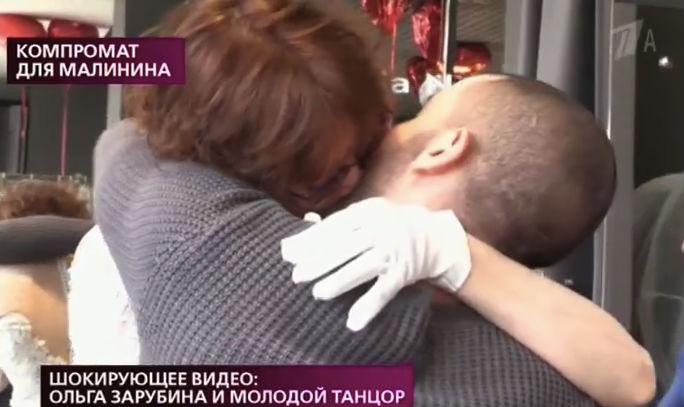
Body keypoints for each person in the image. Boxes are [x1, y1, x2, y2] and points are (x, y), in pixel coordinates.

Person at [93, 1, 653, 406]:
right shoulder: (551, 374)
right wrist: (460, 259)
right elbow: (635, 381)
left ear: (443, 149)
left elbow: (129, 142)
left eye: (410, 118)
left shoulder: (218, 251)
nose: (380, 135)